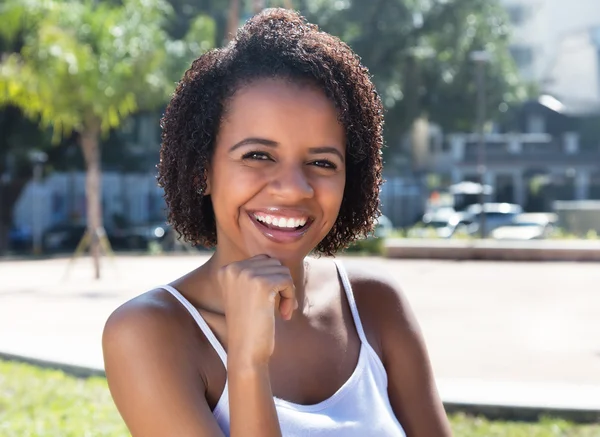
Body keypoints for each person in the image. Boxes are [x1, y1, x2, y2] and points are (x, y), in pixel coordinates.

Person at [102, 8, 451, 437]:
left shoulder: (375, 307)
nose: (293, 189)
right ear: (201, 170)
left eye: (322, 162)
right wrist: (247, 363)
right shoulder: (150, 332)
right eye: (258, 155)